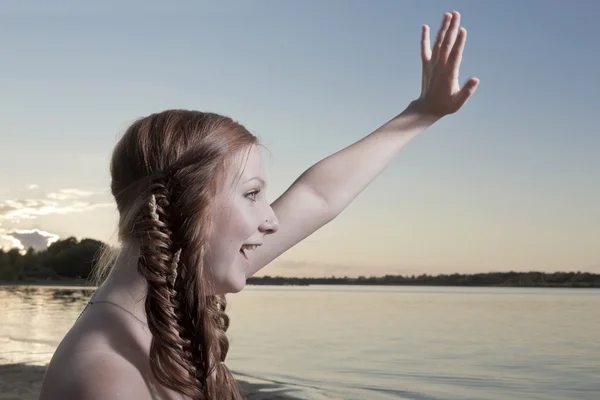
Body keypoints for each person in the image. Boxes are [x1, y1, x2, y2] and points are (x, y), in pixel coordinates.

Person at [38, 10, 479, 400]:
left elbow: (317, 196)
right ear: (186, 206)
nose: (271, 219)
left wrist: (422, 113)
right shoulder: (105, 378)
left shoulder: (172, 290)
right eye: (252, 194)